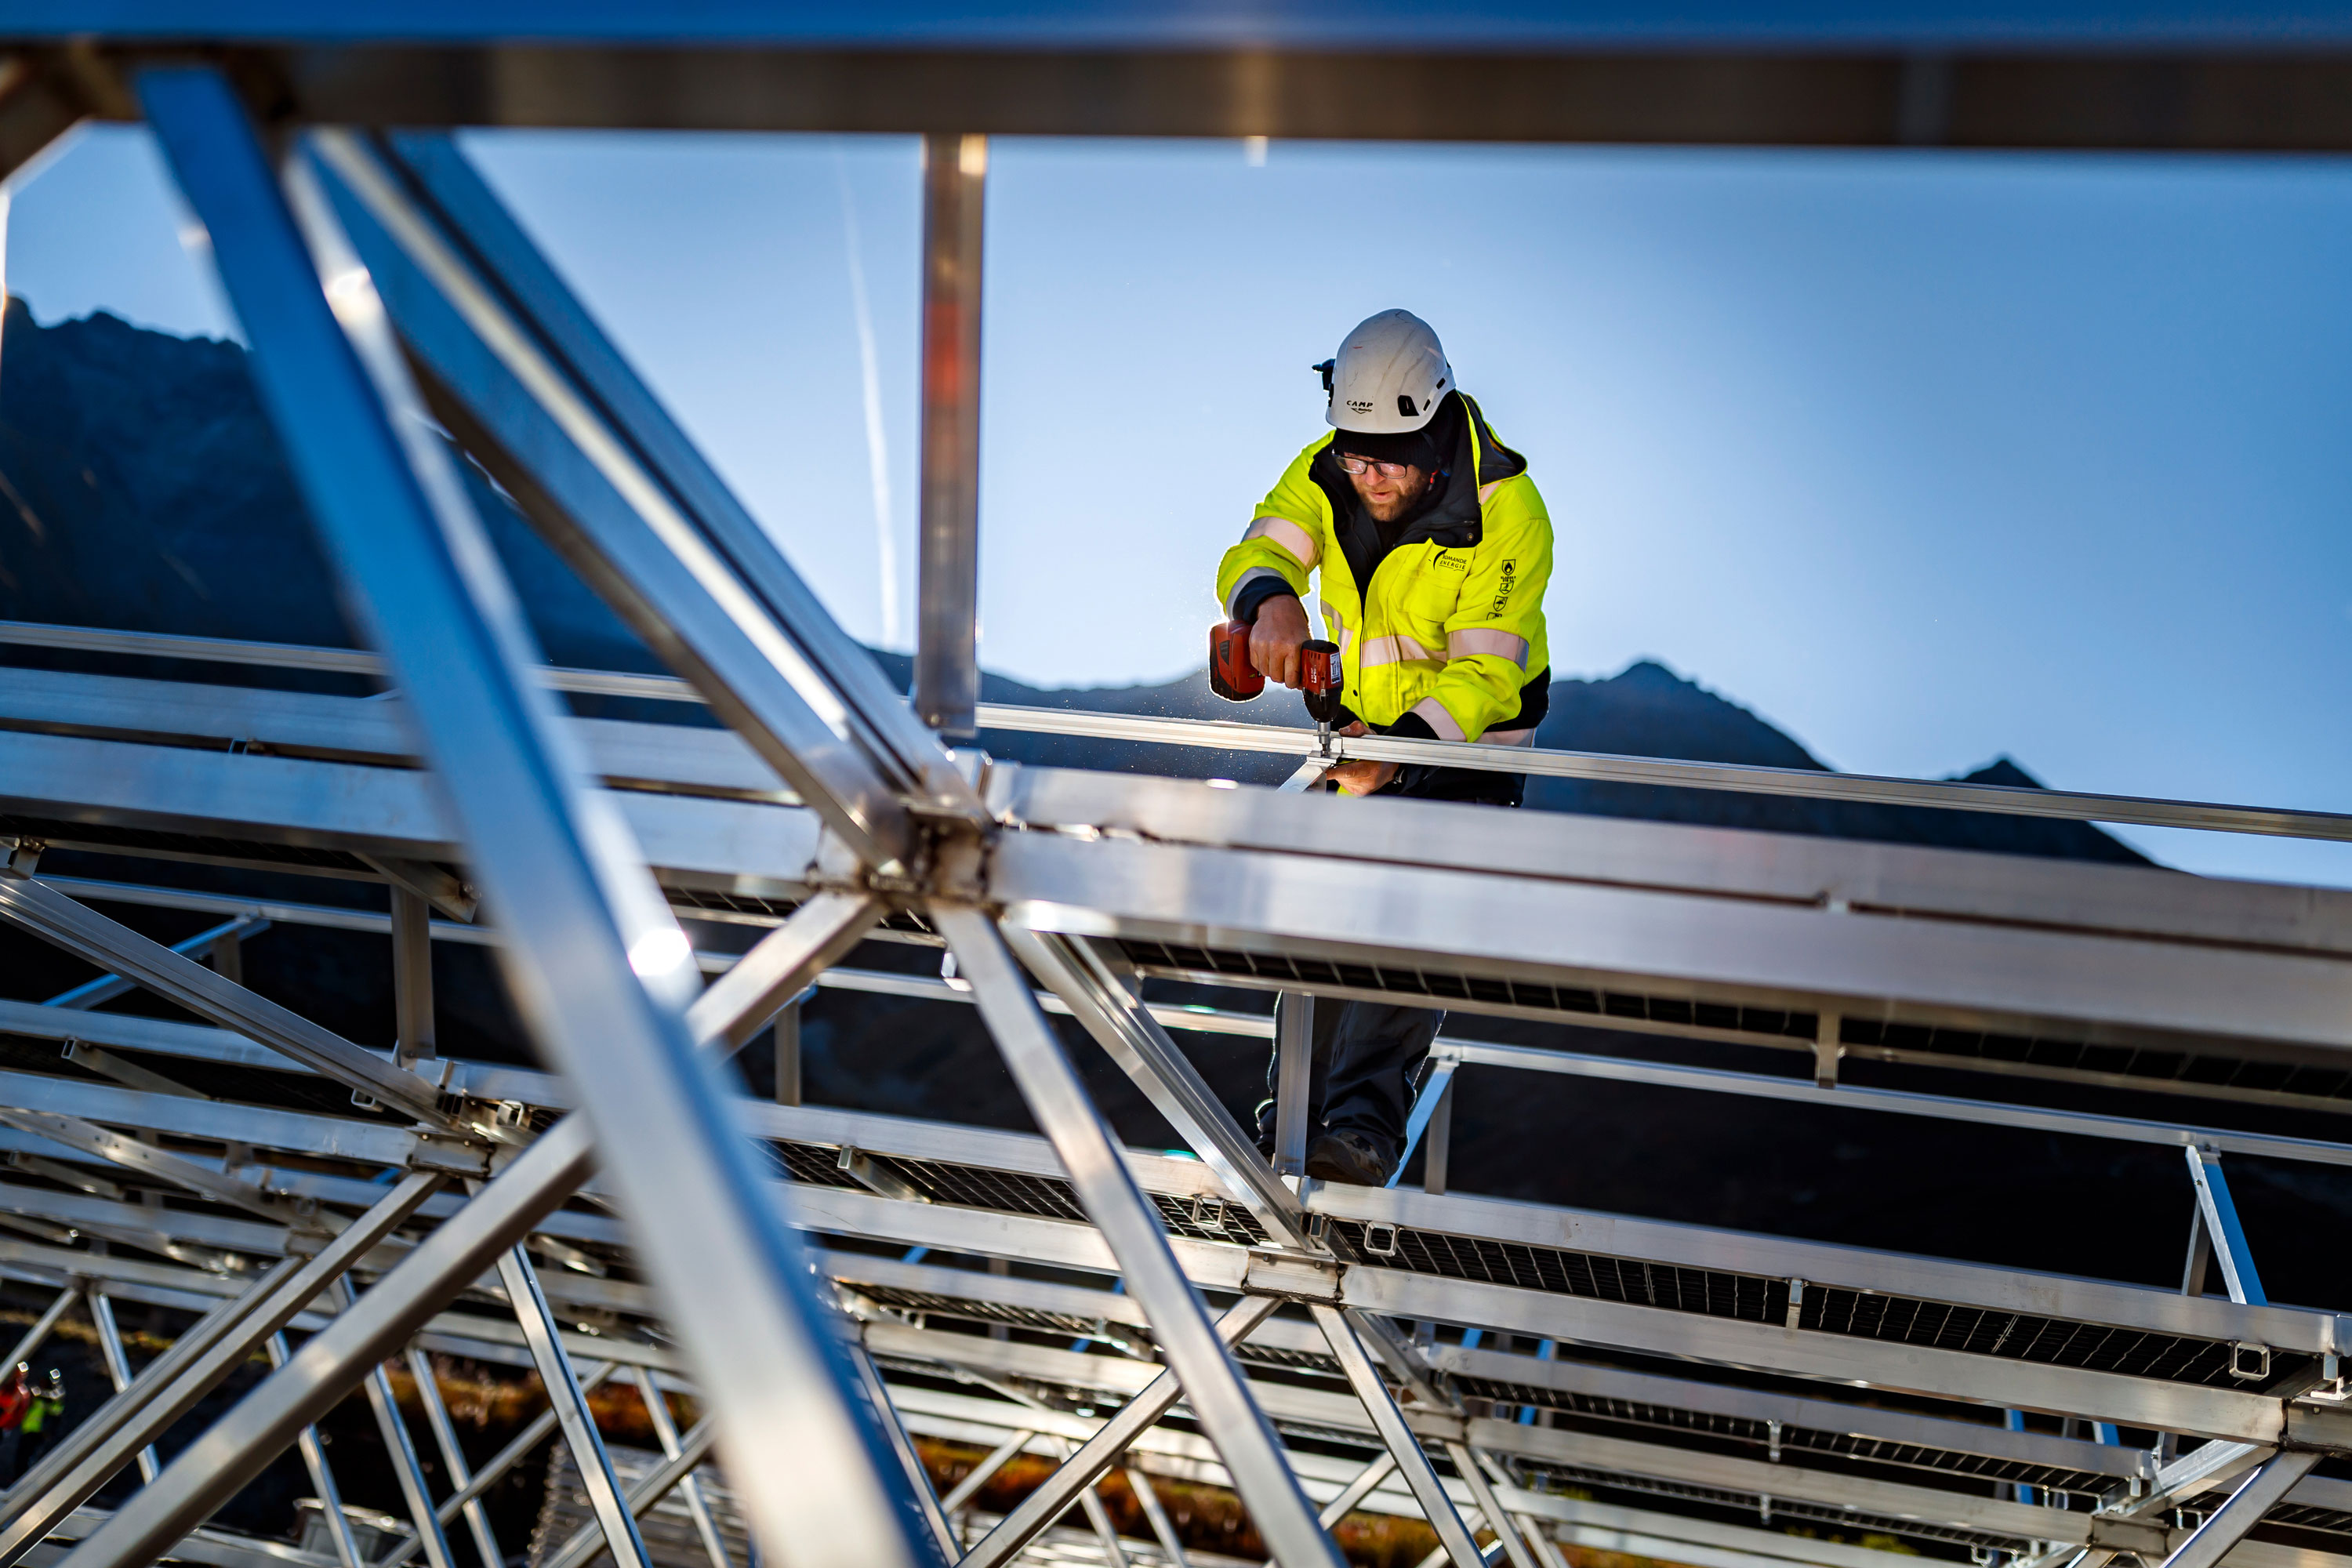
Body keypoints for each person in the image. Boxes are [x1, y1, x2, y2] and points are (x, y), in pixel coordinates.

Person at [1214, 309, 1553, 1185]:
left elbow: (1483, 680)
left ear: (1432, 432)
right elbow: (1264, 543)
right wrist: (1268, 601)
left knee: (1407, 924)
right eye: (1353, 456)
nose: (1365, 477)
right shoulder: (1330, 470)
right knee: (1320, 918)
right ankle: (1292, 1117)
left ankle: (1361, 1130)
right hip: (1360, 740)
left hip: (1469, 751)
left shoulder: (1505, 509)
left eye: (1384, 460)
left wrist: (1400, 753)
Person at [10, 1370, 64, 1483]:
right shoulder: (35, 1397)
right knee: (21, 1458)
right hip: (27, 1431)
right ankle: (17, 1480)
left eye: (44, 1382)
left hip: (37, 1434)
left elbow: (57, 1410)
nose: (41, 1384)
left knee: (28, 1458)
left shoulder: (48, 1400)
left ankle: (23, 1481)